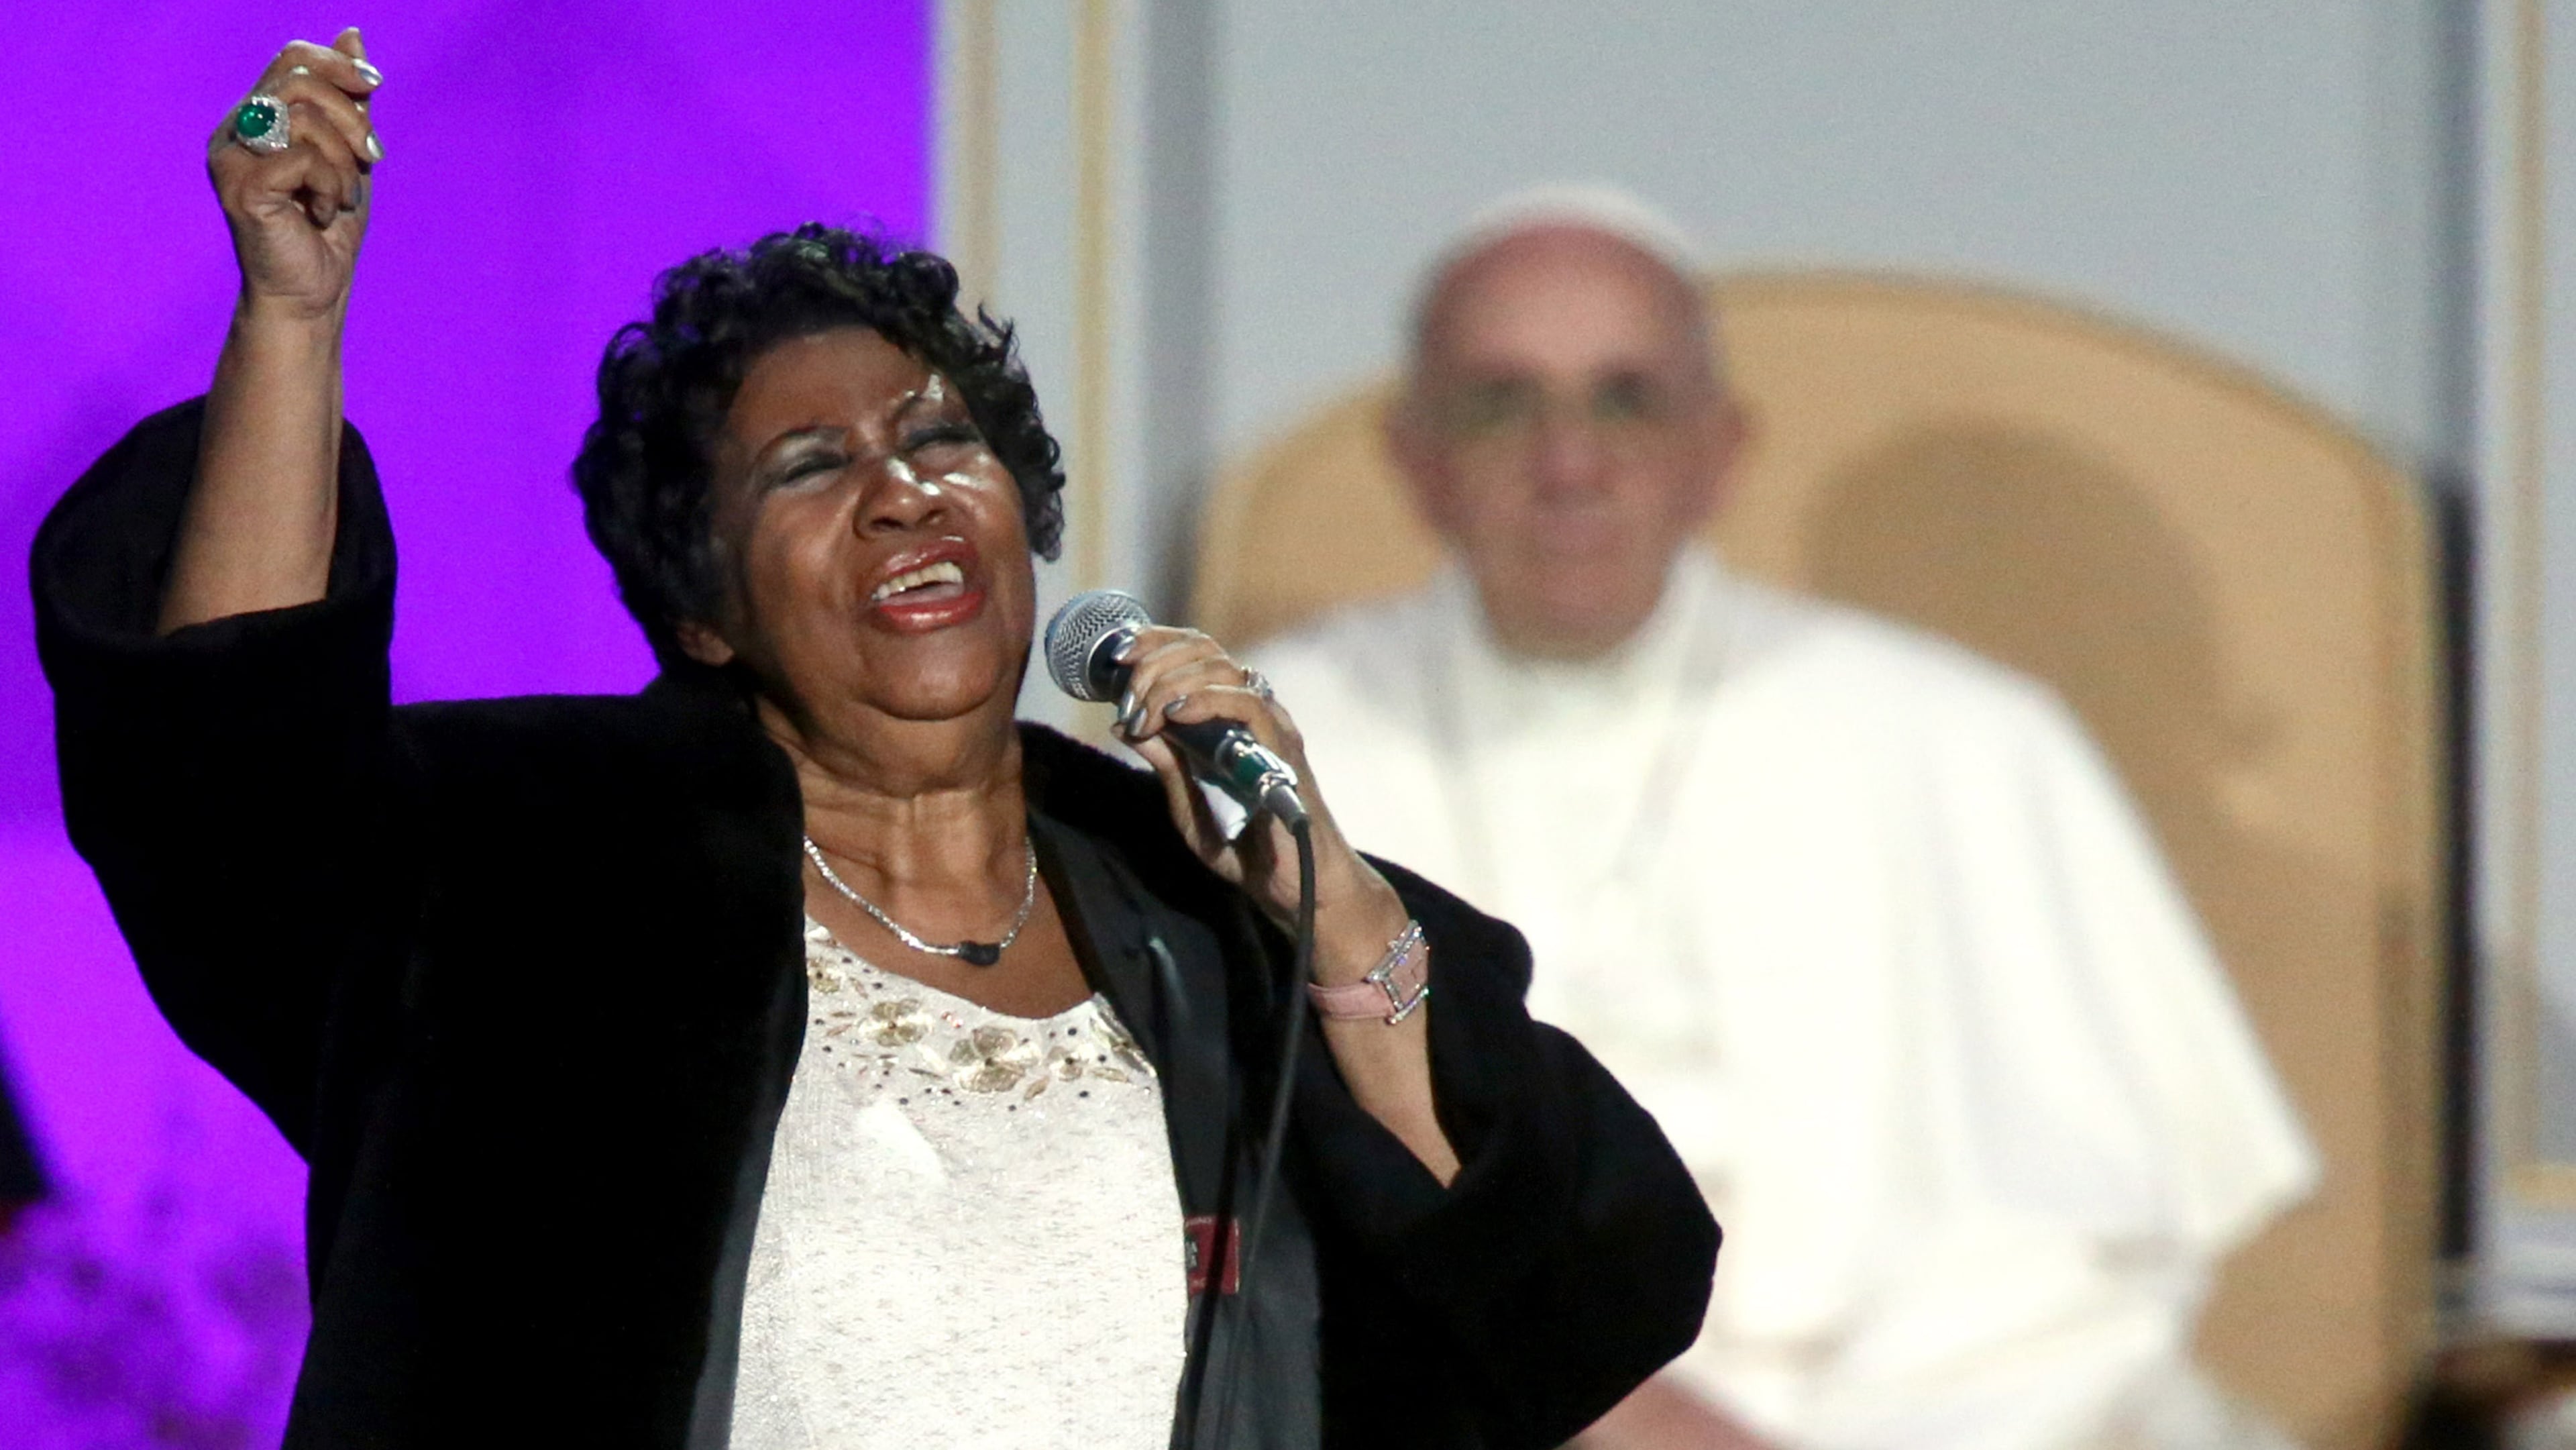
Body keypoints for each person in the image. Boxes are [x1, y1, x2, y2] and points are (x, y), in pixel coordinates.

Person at [30, 39, 1715, 1449]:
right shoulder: (537, 879)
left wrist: (1331, 903)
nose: (904, 485)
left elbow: (1577, 1306)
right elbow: (225, 781)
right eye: (808, 465)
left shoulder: (1199, 920)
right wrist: (292, 317)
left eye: (938, 437)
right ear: (703, 608)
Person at [1245, 189, 2318, 1450]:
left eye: (1625, 398)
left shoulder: (1961, 735)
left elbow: (2081, 1267)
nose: (1569, 463)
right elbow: (1244, 1213)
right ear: (1412, 456)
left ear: (1725, 449)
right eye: (1500, 402)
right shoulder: (1274, 741)